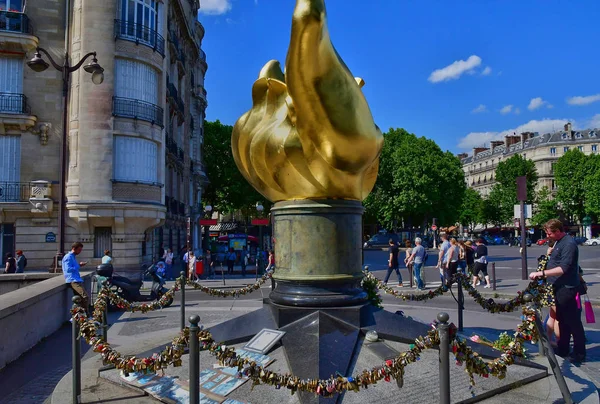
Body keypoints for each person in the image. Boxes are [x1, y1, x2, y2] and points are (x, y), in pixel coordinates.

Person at [529, 219, 586, 363]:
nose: (548, 236)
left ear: (558, 231)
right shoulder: (559, 243)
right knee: (562, 320)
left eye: (549, 233)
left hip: (567, 288)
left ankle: (579, 353)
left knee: (573, 322)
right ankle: (563, 349)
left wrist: (541, 273)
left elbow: (563, 268)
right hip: (559, 287)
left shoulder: (569, 244)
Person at [62, 242, 89, 316]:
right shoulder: (68, 257)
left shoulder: (73, 256)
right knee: (84, 296)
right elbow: (68, 269)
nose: (80, 252)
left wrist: (78, 265)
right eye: (79, 250)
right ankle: (85, 315)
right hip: (72, 280)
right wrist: (78, 265)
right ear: (74, 248)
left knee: (80, 299)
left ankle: (80, 316)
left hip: (76, 279)